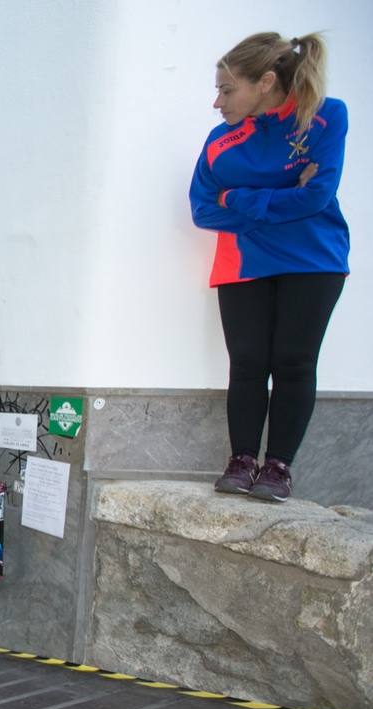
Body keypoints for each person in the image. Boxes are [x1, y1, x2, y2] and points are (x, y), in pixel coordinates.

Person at [189, 32, 348, 502]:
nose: (217, 101)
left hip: (314, 259)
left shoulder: (325, 115)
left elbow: (318, 196)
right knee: (249, 364)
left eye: (227, 89)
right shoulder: (221, 141)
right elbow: (202, 209)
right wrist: (283, 196)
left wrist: (237, 198)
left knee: (294, 362)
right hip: (243, 263)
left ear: (266, 82)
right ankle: (242, 461)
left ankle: (278, 468)